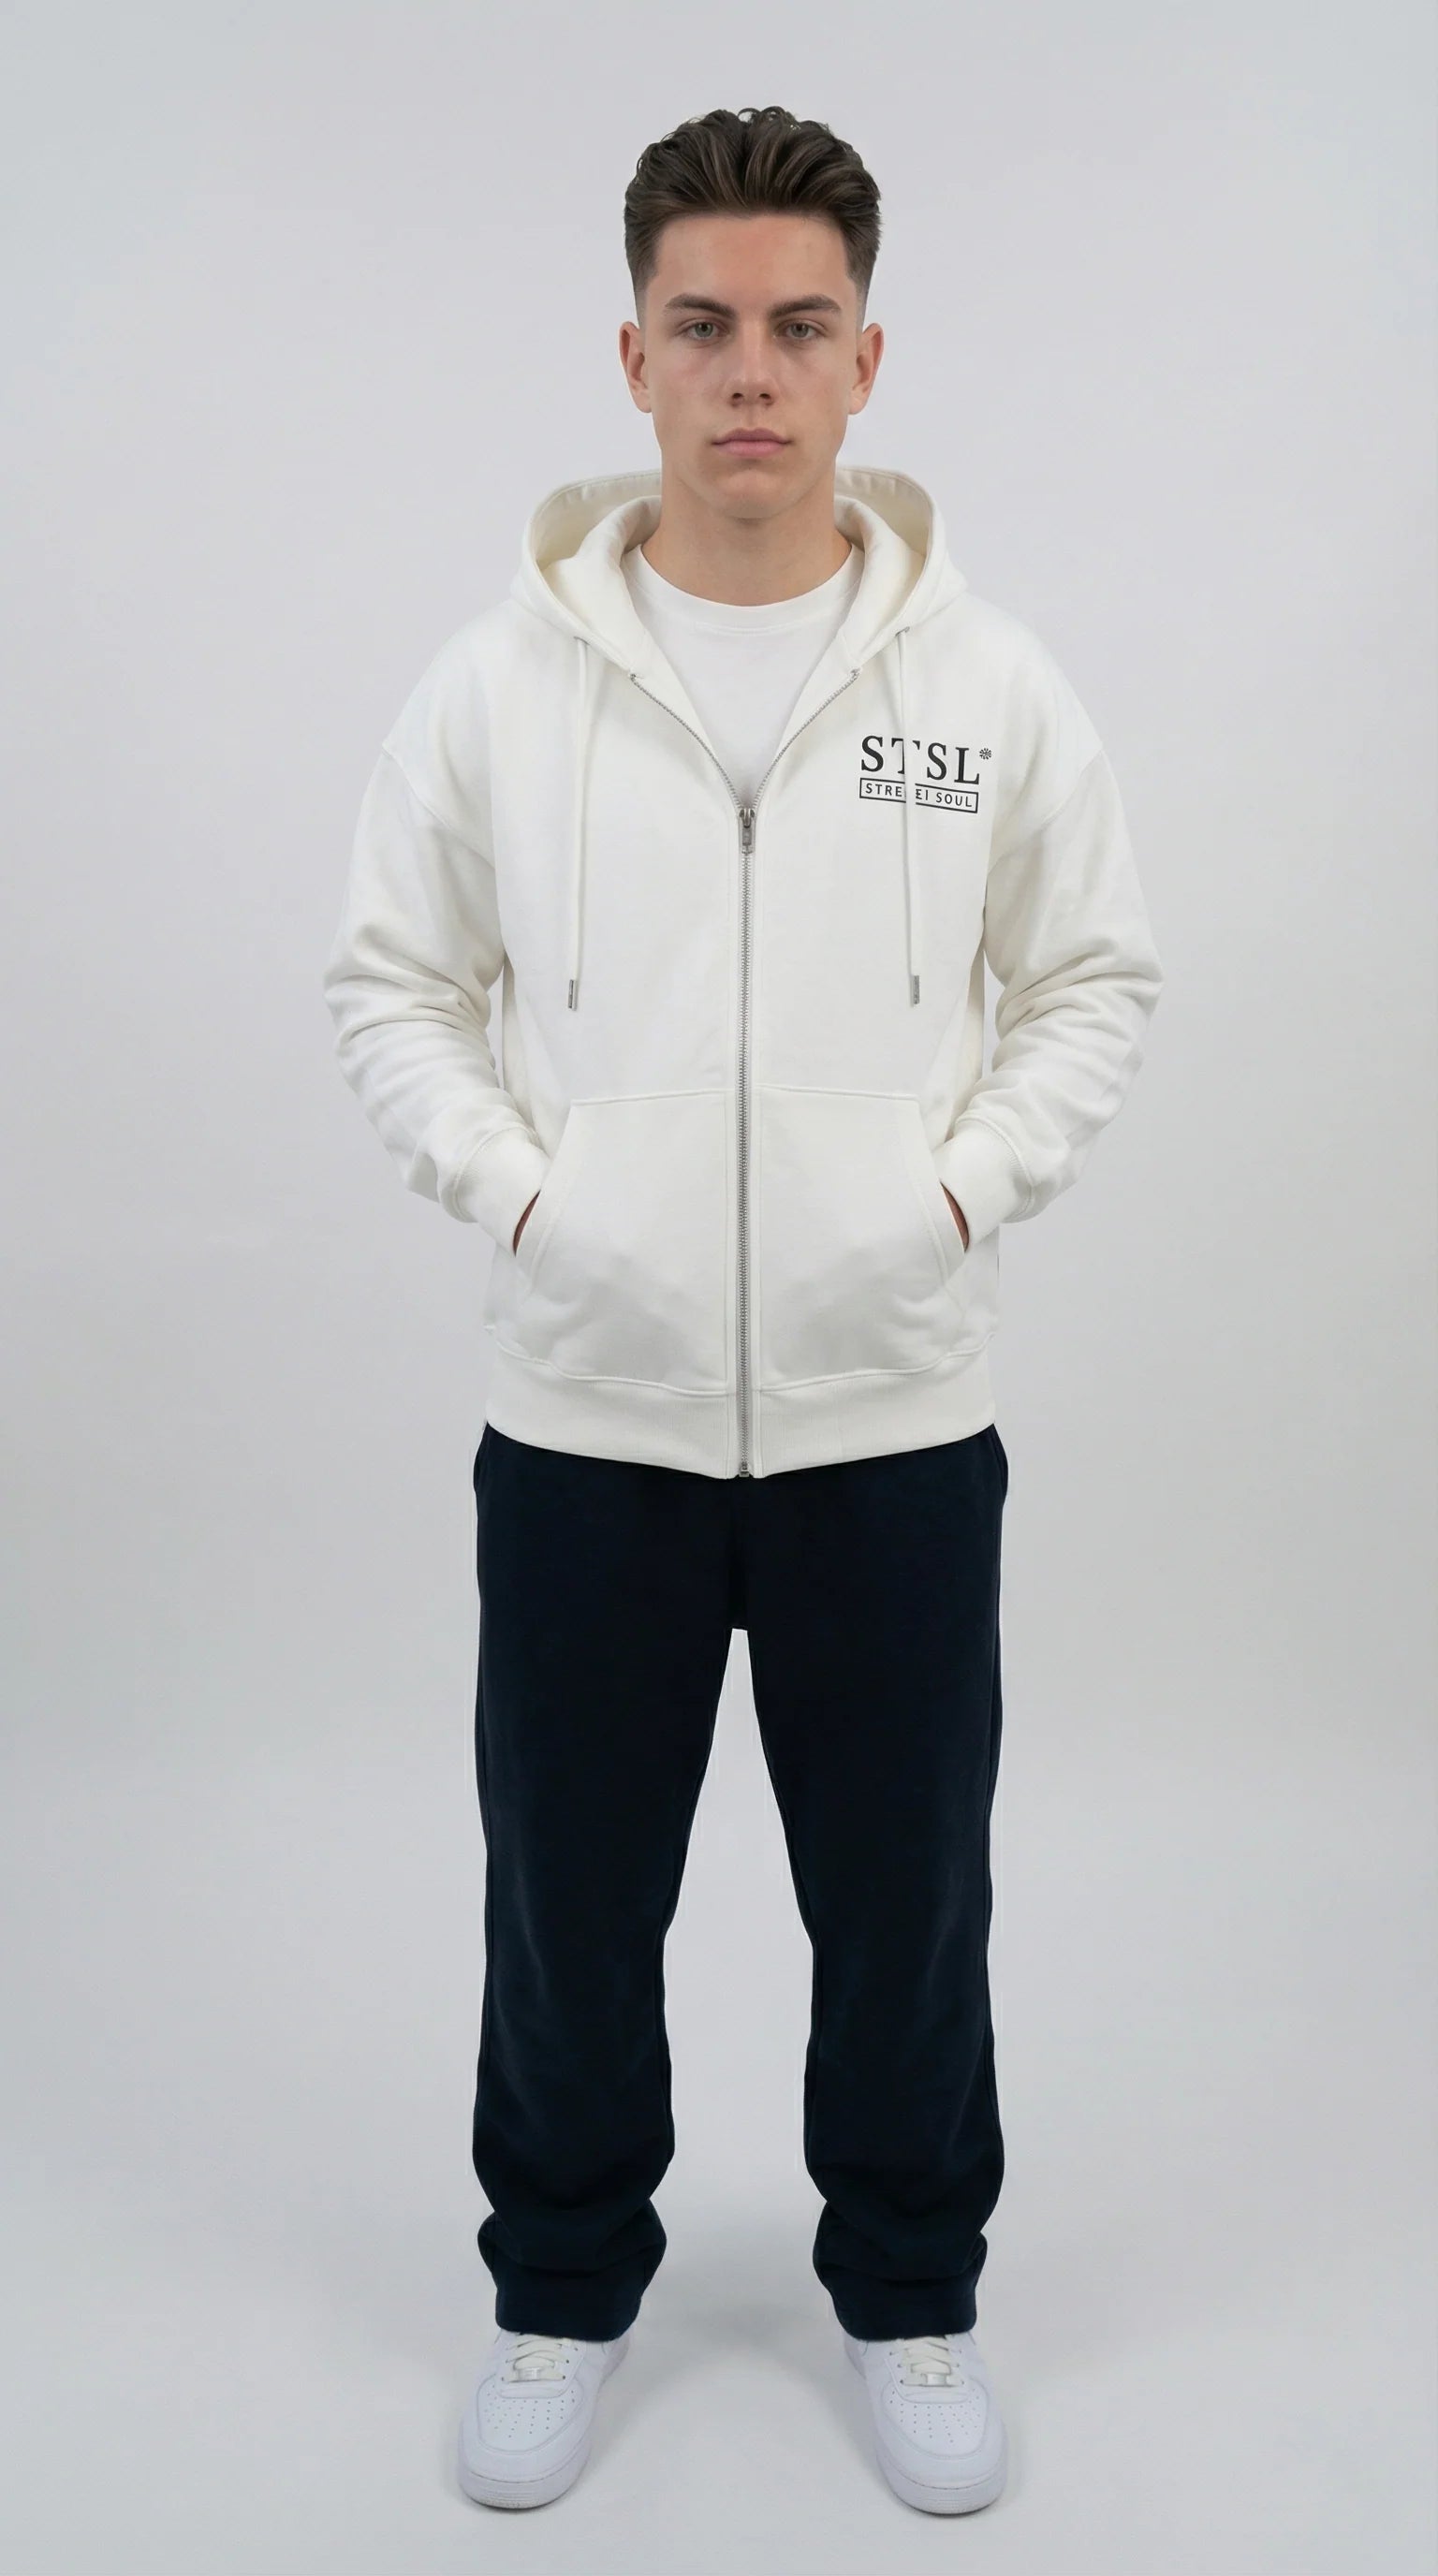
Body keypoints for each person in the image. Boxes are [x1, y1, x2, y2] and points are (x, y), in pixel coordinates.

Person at [322, 102, 1165, 2518]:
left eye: (801, 326)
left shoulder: (981, 683)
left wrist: (951, 1194)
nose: (752, 372)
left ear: (868, 357)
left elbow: (1093, 981)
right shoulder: (504, 685)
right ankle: (558, 2291)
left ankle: (909, 2293)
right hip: (585, 1415)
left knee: (906, 1899)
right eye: (703, 325)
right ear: (636, 357)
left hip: (893, 1414)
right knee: (568, 1899)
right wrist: (532, 1204)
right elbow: (394, 986)